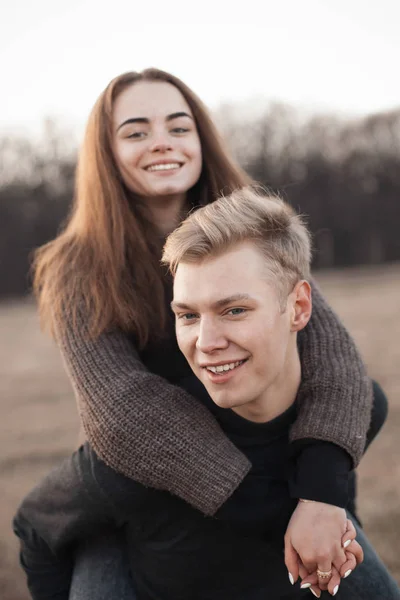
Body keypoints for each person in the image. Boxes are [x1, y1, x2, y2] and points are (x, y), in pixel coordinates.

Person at [30, 68, 385, 596]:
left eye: (179, 127)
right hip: (144, 498)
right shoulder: (77, 266)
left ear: (200, 139)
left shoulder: (253, 230)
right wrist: (279, 506)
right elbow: (124, 412)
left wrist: (322, 496)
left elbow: (334, 364)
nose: (161, 143)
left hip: (272, 467)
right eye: (135, 131)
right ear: (106, 153)